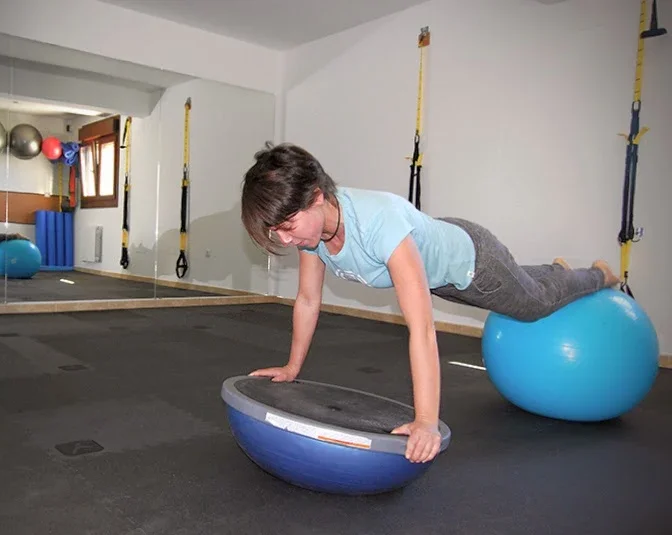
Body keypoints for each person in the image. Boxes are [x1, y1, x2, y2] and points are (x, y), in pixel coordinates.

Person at [239, 142, 620, 464]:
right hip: (439, 269)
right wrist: (292, 367)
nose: (284, 239)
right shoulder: (313, 237)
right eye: (275, 231)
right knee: (520, 285)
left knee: (534, 305)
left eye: (287, 226)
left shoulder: (378, 223)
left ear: (317, 197)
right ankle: (551, 270)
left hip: (475, 265)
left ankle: (596, 274)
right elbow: (307, 300)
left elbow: (421, 328)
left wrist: (426, 420)